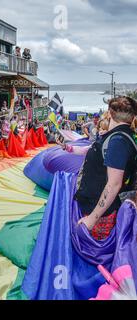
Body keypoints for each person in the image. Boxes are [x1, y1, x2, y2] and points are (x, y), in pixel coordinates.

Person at [60, 97, 137, 240]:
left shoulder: (117, 142)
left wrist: (92, 219)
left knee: (93, 253)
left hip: (101, 214)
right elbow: (90, 150)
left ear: (110, 114)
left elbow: (114, 184)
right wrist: (67, 147)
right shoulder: (115, 137)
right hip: (95, 207)